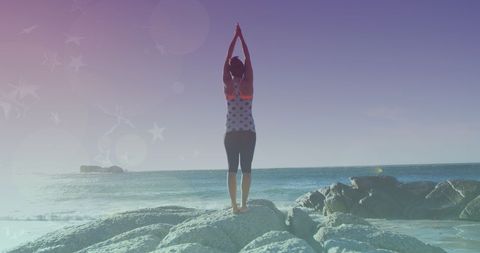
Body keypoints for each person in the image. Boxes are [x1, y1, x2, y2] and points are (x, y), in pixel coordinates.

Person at [223, 23, 256, 214]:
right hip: (248, 132)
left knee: (232, 170)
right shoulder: (248, 84)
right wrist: (241, 37)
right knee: (247, 170)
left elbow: (227, 58)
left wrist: (234, 38)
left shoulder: (227, 85)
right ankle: (244, 204)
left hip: (231, 133)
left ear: (229, 70)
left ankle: (234, 206)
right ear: (243, 70)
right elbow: (248, 57)